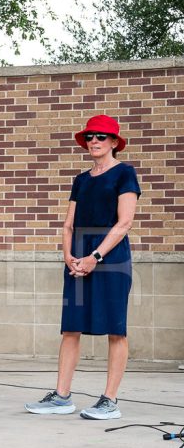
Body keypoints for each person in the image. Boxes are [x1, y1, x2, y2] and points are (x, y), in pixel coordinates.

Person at [26, 114, 140, 420]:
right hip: (78, 257)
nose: (94, 141)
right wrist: (69, 256)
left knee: (115, 329)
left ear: (114, 142)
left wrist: (95, 257)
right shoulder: (81, 180)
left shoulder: (125, 173)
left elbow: (124, 222)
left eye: (101, 136)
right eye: (89, 136)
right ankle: (61, 397)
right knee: (70, 328)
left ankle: (109, 400)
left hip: (110, 259)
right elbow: (68, 224)